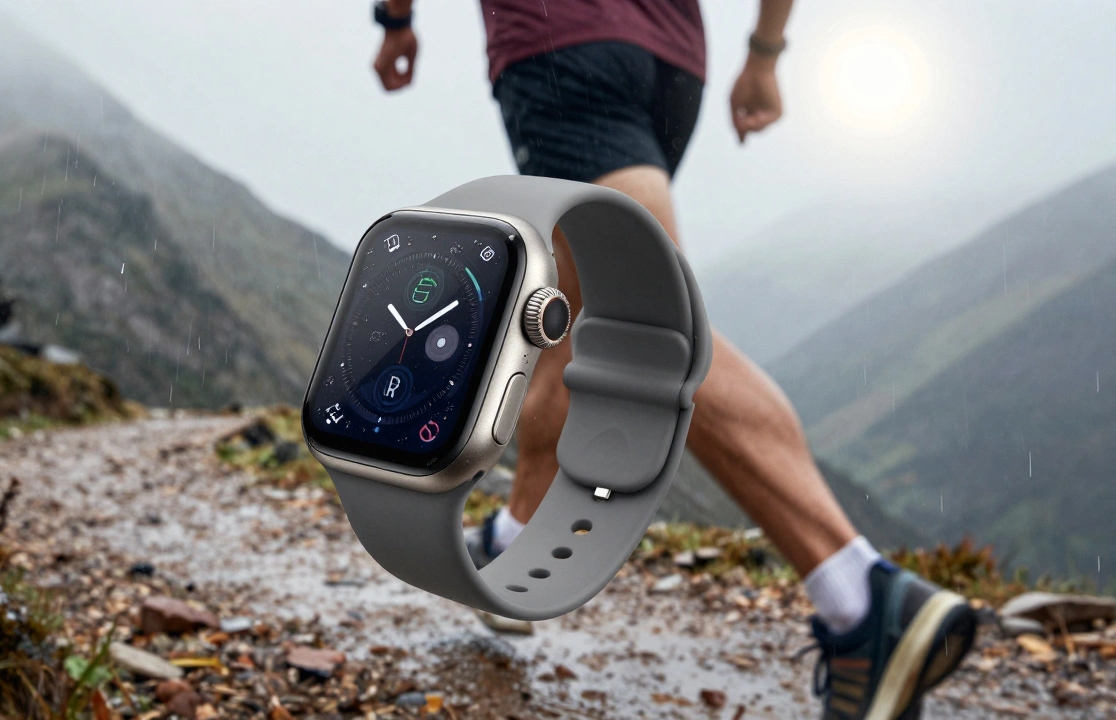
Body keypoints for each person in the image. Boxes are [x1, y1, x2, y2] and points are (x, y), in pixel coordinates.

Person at [368, 1, 977, 717]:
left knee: (651, 323)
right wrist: (764, 54)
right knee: (585, 304)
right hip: (670, 62)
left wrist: (394, 20)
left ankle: (861, 595)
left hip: (563, 44)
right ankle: (519, 538)